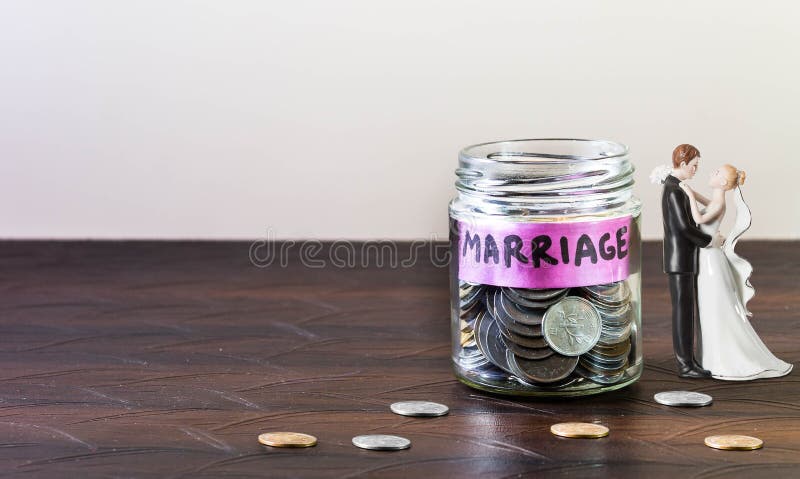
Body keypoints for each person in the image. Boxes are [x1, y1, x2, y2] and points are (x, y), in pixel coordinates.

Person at [680, 165, 793, 380]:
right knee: (709, 307)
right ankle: (710, 357)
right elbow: (704, 202)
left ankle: (723, 359)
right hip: (705, 258)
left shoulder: (720, 203)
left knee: (715, 306)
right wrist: (689, 191)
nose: (712, 172)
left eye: (717, 173)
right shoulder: (715, 200)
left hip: (711, 260)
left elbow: (700, 220)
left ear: (723, 183)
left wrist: (688, 196)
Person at [658, 144, 722, 378]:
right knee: (683, 311)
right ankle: (685, 364)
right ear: (683, 164)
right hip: (680, 259)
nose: (696, 170)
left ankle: (690, 360)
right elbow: (684, 227)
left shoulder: (679, 187)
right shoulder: (673, 190)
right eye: (694, 166)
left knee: (687, 310)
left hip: (684, 258)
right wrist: (709, 240)